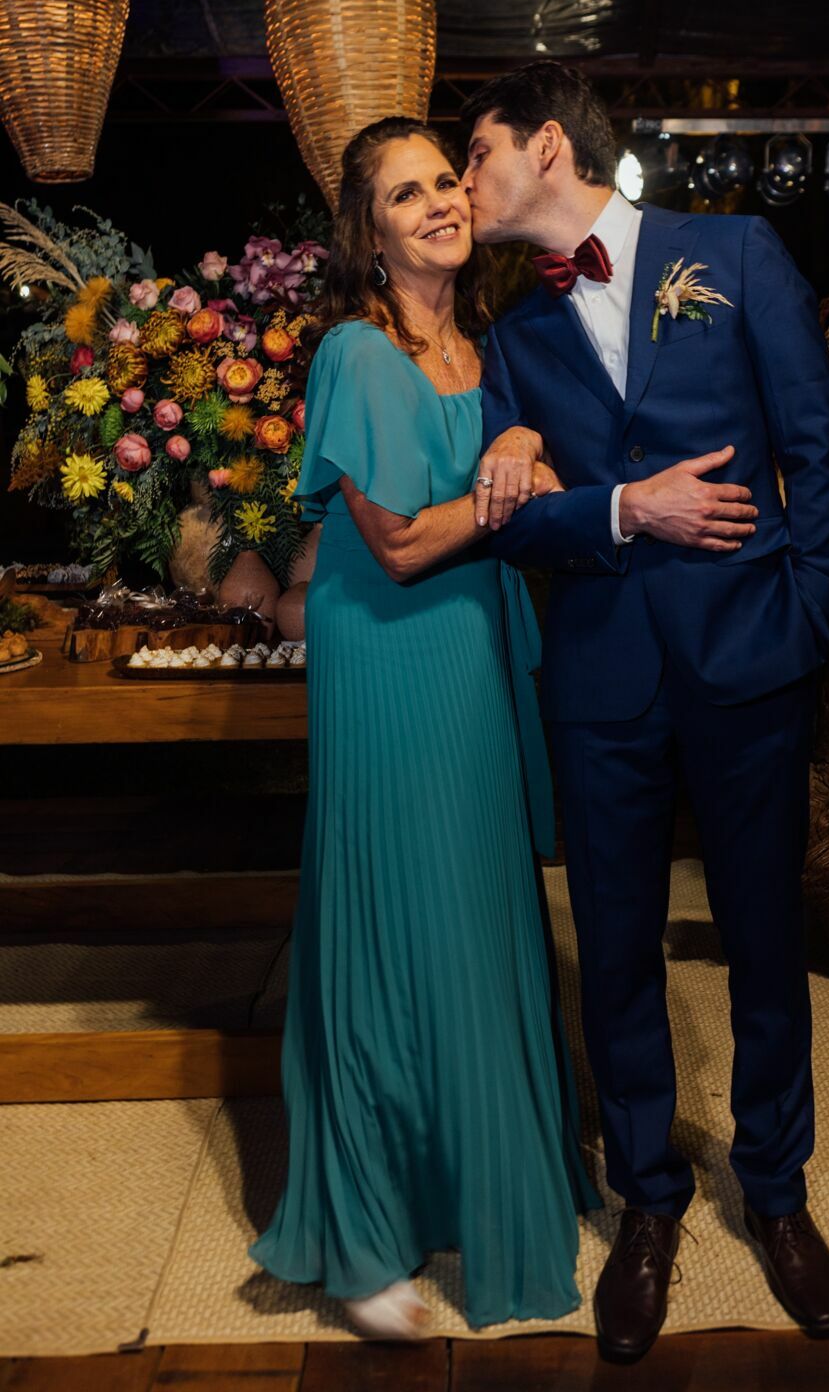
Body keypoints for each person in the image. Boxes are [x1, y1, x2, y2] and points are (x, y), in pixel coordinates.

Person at [464, 61, 829, 1362]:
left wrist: (803, 623)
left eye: (476, 156)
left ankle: (780, 1194)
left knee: (759, 938)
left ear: (543, 146)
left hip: (751, 660)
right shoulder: (510, 339)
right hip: (598, 681)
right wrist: (627, 507)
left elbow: (816, 449)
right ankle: (646, 1201)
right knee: (618, 951)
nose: (468, 185)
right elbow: (518, 525)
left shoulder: (731, 252)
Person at [249, 116, 599, 1337]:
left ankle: (481, 1189)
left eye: (447, 178)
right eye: (408, 193)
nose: (442, 201)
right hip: (388, 657)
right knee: (396, 916)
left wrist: (519, 444)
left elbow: (533, 459)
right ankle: (362, 1232)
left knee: (483, 912)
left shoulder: (486, 344)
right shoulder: (355, 350)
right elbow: (396, 540)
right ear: (371, 231)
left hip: (475, 648)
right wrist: (511, 497)